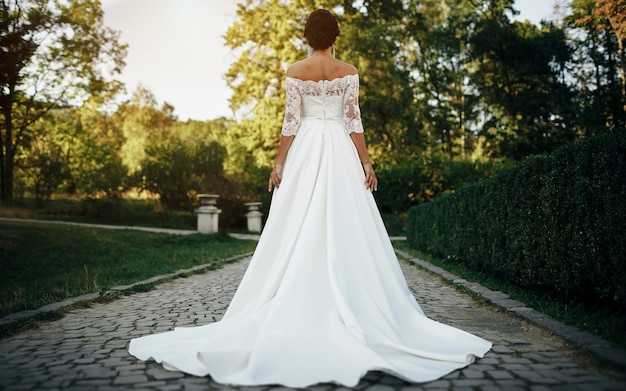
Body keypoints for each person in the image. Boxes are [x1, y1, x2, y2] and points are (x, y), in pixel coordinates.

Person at [129, 9, 491, 387]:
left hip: (304, 152)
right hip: (337, 149)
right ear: (335, 36)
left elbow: (291, 121)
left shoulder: (293, 71)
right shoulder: (348, 71)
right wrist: (366, 162)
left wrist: (279, 162)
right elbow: (353, 120)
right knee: (345, 219)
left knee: (297, 221)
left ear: (307, 37)